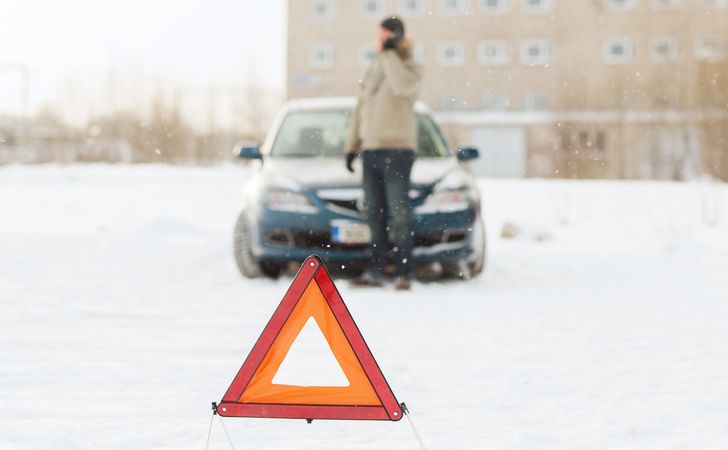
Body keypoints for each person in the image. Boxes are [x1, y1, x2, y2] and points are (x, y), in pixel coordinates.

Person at [345, 16, 422, 291]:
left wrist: (391, 54)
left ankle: (404, 272)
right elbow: (360, 107)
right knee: (374, 215)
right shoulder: (374, 67)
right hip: (371, 150)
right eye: (378, 36)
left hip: (398, 150)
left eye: (384, 36)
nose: (378, 41)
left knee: (399, 215)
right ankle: (376, 270)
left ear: (396, 37)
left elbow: (403, 88)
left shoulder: (410, 67)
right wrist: (351, 146)